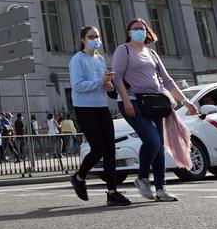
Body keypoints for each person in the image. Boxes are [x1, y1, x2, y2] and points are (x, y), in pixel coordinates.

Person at [112, 18, 198, 202]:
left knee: (159, 145)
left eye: (142, 29)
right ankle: (142, 177)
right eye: (135, 29)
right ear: (128, 32)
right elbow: (117, 77)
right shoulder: (124, 49)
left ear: (147, 32)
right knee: (152, 140)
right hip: (133, 101)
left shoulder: (151, 53)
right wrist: (126, 101)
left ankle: (161, 188)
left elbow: (167, 80)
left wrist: (185, 101)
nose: (139, 31)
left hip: (154, 103)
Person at [68, 26, 131, 206]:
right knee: (98, 149)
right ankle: (79, 177)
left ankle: (112, 192)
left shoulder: (101, 59)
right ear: (83, 40)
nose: (95, 39)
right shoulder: (77, 60)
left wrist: (109, 84)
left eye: (97, 36)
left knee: (110, 150)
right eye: (91, 36)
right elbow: (78, 85)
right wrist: (99, 82)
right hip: (84, 107)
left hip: (101, 106)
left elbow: (105, 84)